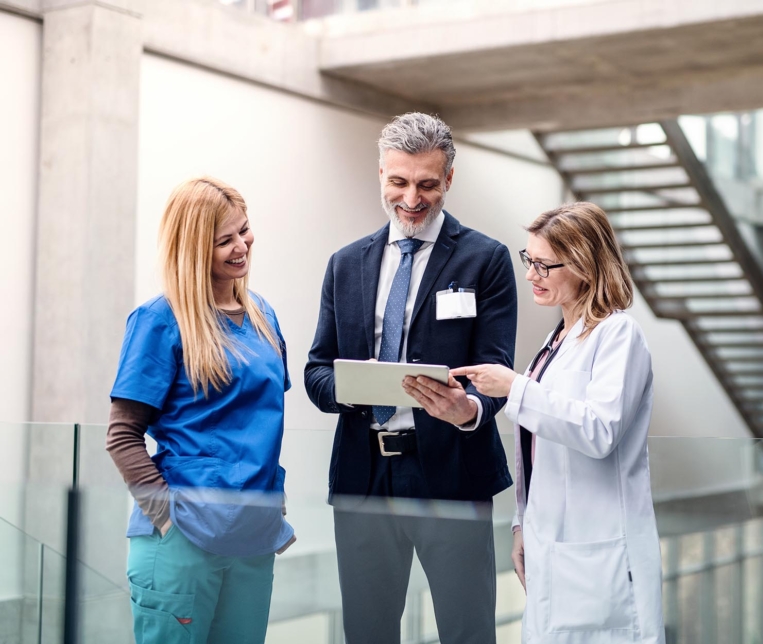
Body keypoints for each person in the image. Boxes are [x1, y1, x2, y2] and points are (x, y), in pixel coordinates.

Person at [304, 112, 518, 643]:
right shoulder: (345, 263)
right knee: (367, 632)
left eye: (427, 184)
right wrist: (353, 388)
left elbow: (494, 368)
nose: (412, 198)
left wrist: (467, 409)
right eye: (399, 182)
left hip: (452, 474)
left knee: (467, 630)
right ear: (380, 174)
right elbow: (316, 371)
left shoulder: (485, 259)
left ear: (448, 179)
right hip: (363, 475)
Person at [453, 202, 665, 643]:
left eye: (545, 265)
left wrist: (514, 388)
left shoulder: (617, 335)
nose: (531, 275)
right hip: (549, 544)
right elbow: (538, 451)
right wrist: (521, 524)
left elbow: (598, 431)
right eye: (529, 260)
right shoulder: (556, 341)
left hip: (599, 551)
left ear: (586, 264)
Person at [107, 177, 295, 644]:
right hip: (183, 537)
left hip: (253, 534)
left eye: (244, 231)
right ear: (192, 247)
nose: (241, 247)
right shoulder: (159, 320)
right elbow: (122, 435)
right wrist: (167, 519)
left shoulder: (262, 317)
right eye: (223, 240)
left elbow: (258, 420)